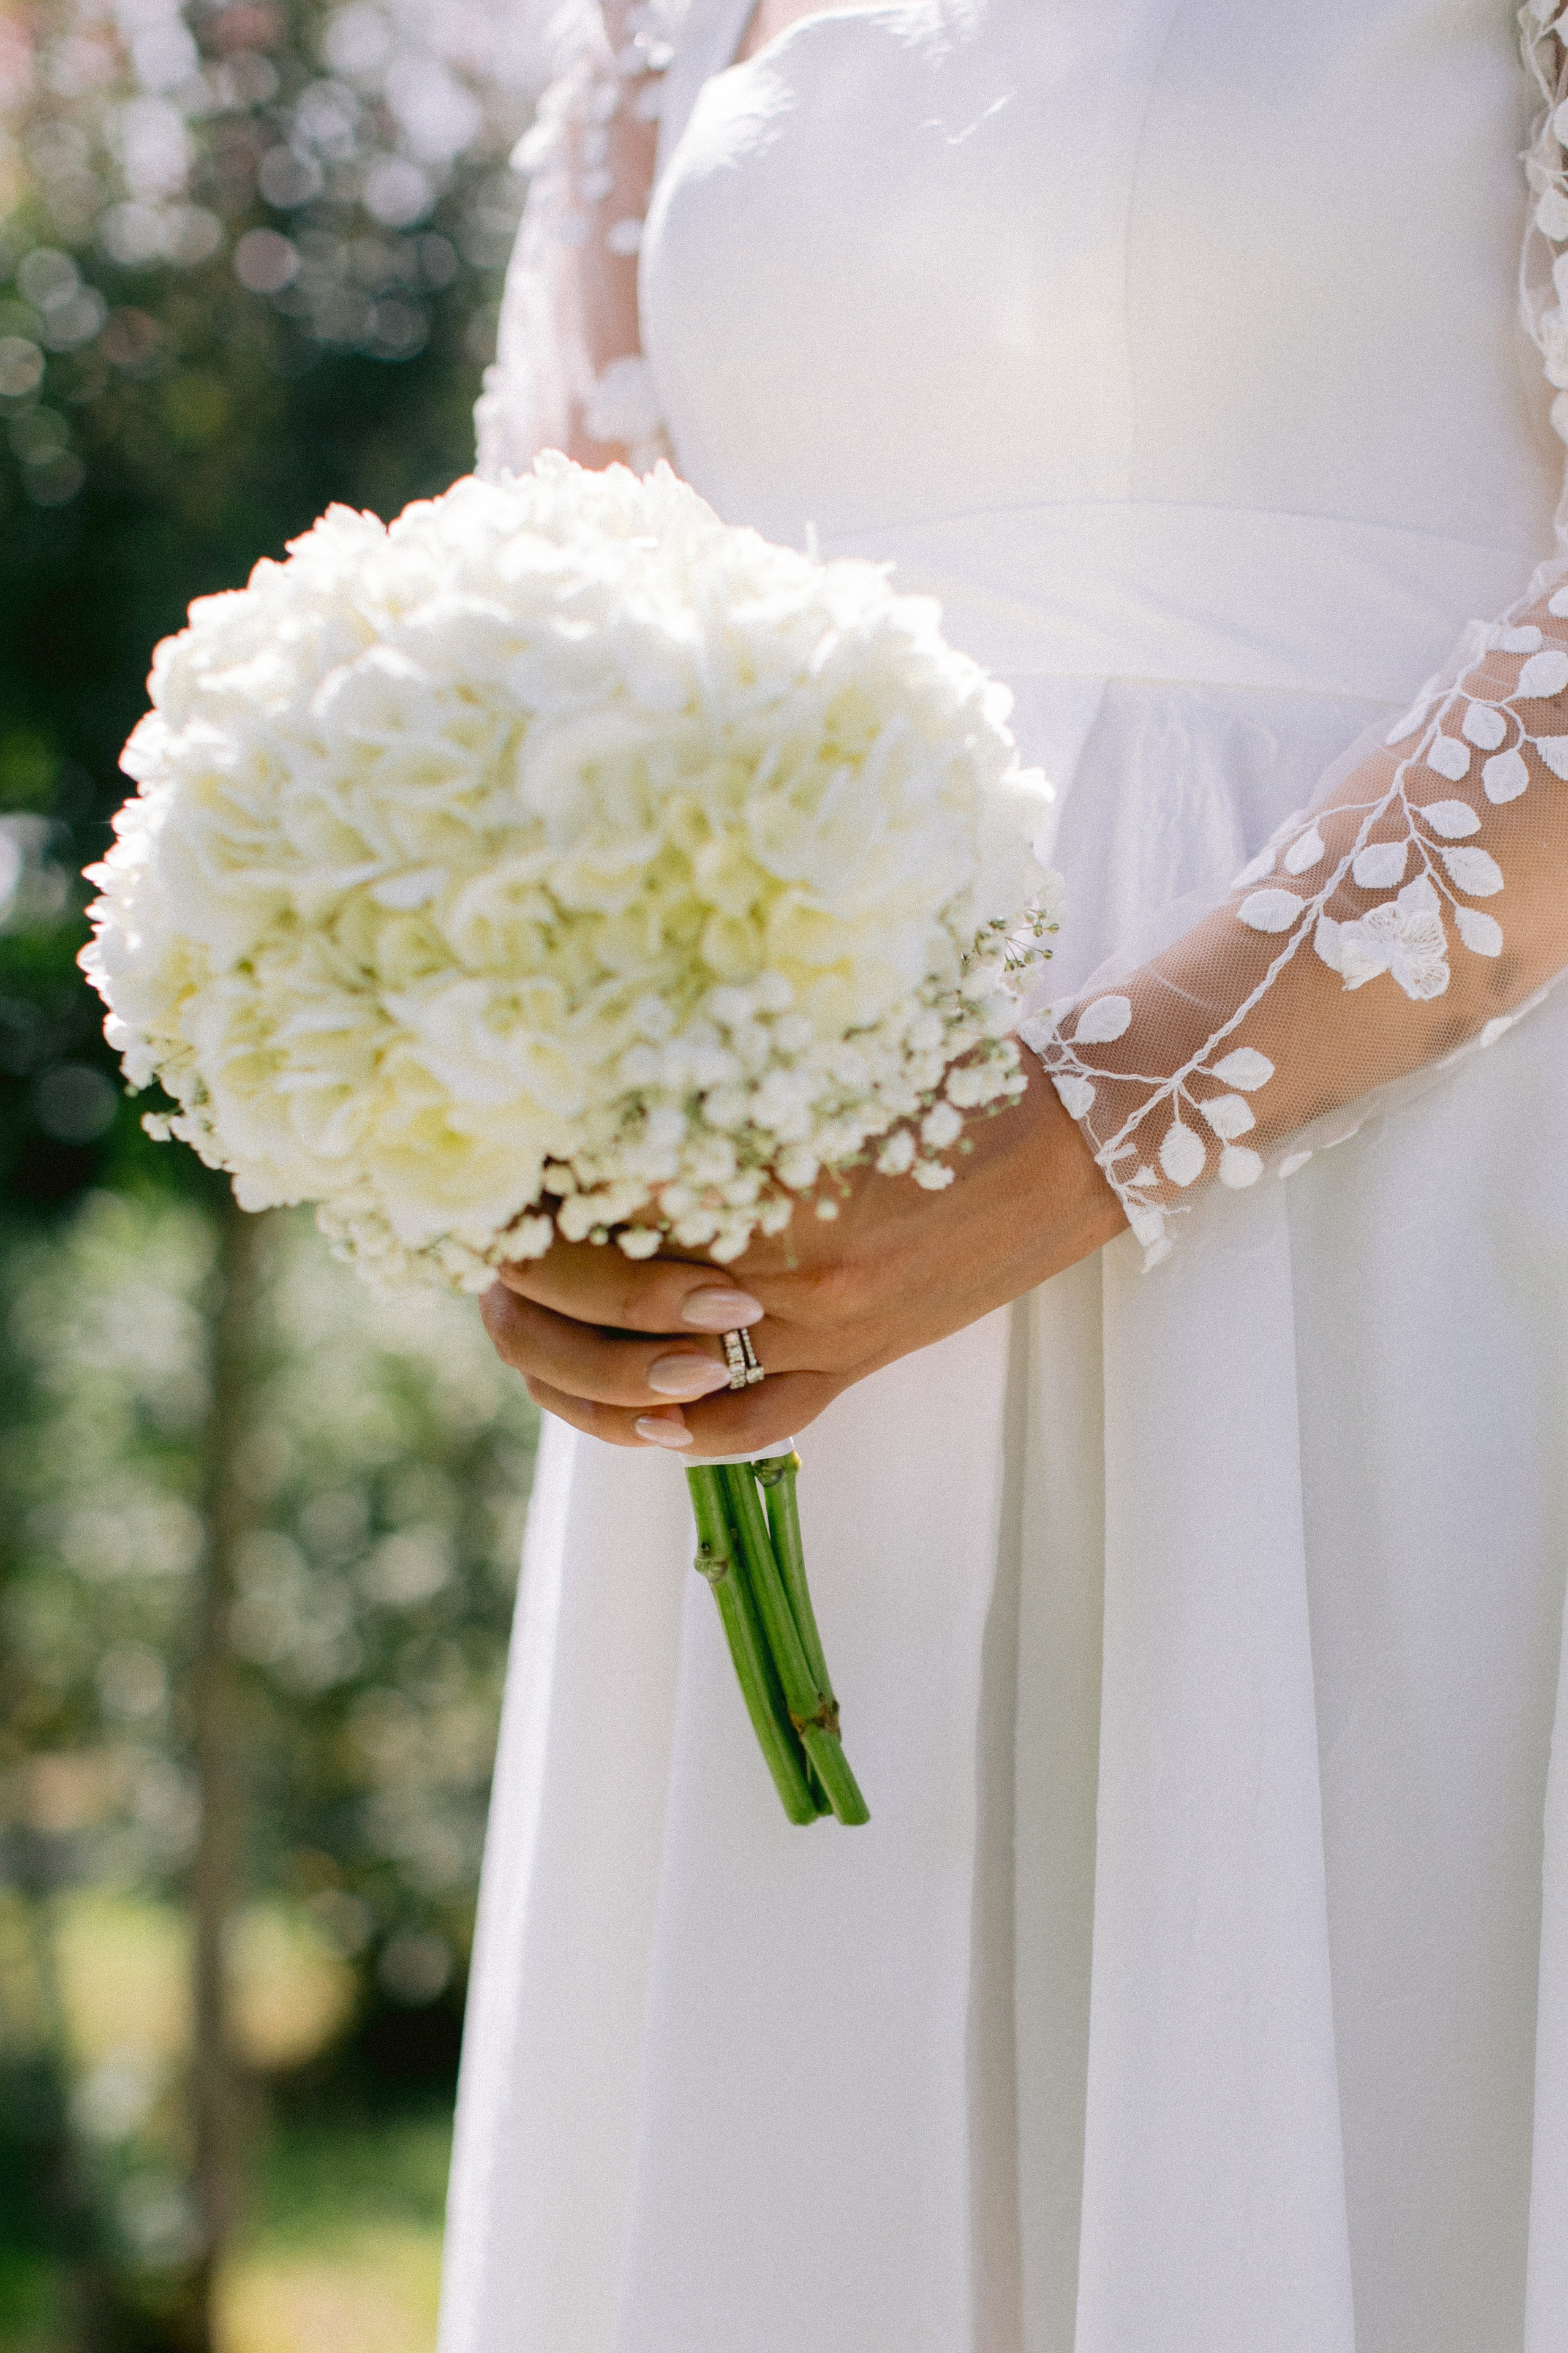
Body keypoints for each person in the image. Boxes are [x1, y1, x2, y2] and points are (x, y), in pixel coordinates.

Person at [438, 6, 1568, 2347]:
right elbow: (542, 640)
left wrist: (1090, 1124)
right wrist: (525, 1119)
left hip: (1409, 1227)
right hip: (809, 1335)